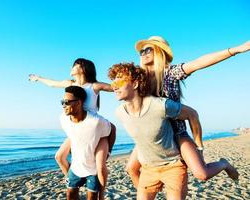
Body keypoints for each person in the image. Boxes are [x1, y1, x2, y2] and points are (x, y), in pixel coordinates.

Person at [126, 36, 248, 187]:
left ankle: (223, 164)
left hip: (177, 133)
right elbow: (117, 84)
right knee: (131, 169)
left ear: (160, 52)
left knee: (201, 173)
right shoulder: (139, 79)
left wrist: (236, 50)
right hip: (153, 135)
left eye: (148, 49)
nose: (144, 53)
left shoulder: (170, 73)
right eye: (142, 51)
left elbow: (198, 63)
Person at [108, 62, 203, 199]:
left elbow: (192, 114)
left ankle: (224, 164)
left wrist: (199, 147)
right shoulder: (120, 113)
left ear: (135, 84)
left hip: (172, 166)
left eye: (120, 82)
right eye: (113, 84)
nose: (115, 88)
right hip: (148, 169)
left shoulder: (160, 105)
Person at [29, 58, 116, 199]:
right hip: (76, 128)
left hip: (95, 130)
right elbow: (52, 84)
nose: (71, 67)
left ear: (83, 68)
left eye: (75, 65)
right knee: (59, 156)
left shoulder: (94, 86)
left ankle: (102, 193)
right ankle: (74, 179)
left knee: (99, 166)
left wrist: (127, 81)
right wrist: (38, 78)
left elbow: (114, 88)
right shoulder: (70, 84)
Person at [60, 86, 112, 200]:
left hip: (93, 169)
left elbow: (112, 129)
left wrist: (108, 152)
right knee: (70, 196)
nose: (64, 105)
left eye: (67, 102)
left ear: (79, 103)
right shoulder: (63, 119)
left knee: (92, 197)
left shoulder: (96, 121)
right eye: (62, 102)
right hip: (75, 167)